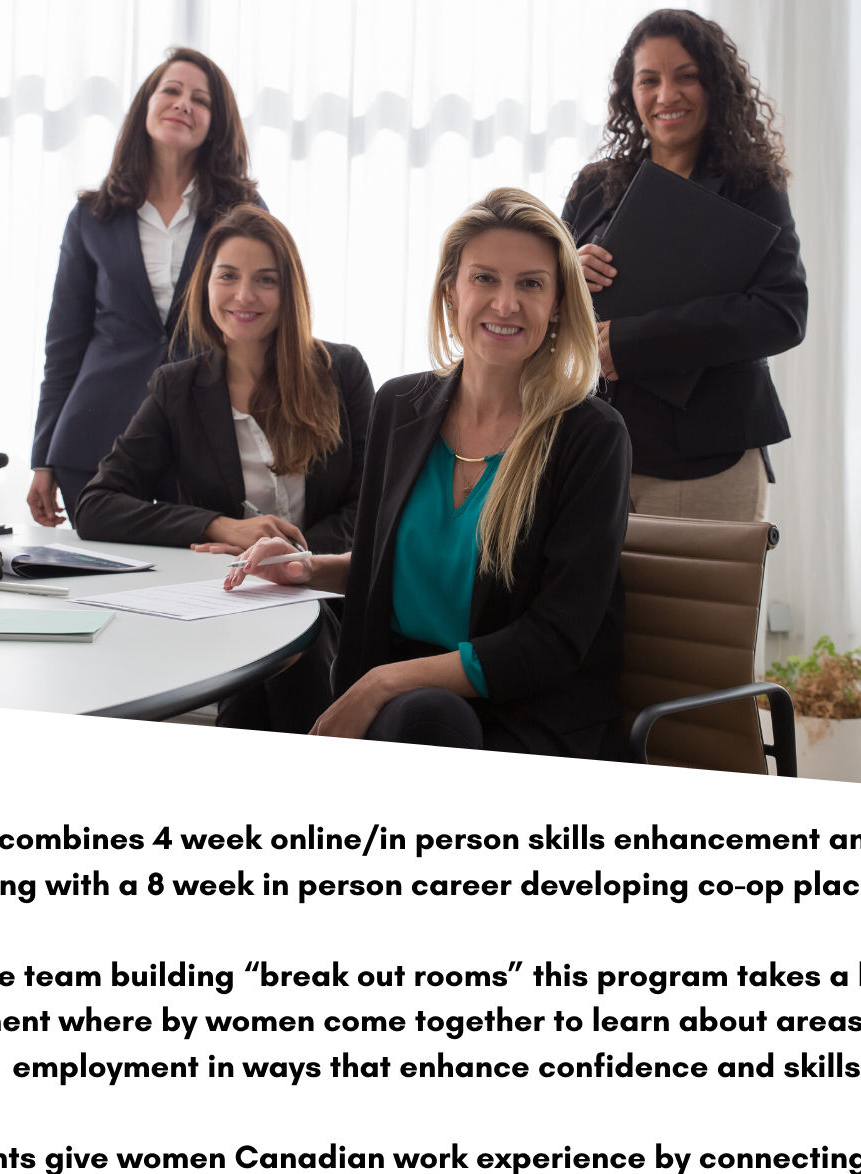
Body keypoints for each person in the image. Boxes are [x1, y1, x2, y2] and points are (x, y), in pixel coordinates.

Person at [224, 188, 631, 757]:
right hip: (397, 689)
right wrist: (306, 569)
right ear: (451, 291)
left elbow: (554, 640)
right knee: (261, 679)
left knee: (428, 719)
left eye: (531, 284)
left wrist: (386, 681)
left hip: (520, 708)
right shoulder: (400, 406)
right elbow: (391, 562)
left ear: (560, 302)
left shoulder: (590, 436)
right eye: (484, 278)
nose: (506, 304)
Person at [76, 207, 373, 732]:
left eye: (265, 280)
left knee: (280, 670)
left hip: (329, 595)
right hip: (231, 601)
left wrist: (294, 559)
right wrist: (220, 526)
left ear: (290, 292)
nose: (244, 296)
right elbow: (97, 504)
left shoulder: (341, 371)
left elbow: (374, 502)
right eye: (228, 276)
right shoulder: (177, 388)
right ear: (205, 284)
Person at [562, 8, 807, 522]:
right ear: (630, 93)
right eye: (649, 80)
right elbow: (540, 322)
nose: (666, 95)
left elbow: (781, 314)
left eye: (686, 77)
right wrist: (562, 283)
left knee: (703, 607)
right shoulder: (590, 188)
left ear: (715, 86)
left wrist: (631, 342)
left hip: (708, 459)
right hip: (592, 458)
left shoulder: (753, 189)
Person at [27, 48, 260, 529]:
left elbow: (264, 323)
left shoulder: (243, 211)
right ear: (145, 106)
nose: (182, 104)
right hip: (95, 434)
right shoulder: (92, 216)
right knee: (97, 590)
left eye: (200, 99)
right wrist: (44, 455)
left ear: (215, 124)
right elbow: (64, 344)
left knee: (197, 581)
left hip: (203, 431)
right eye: (170, 91)